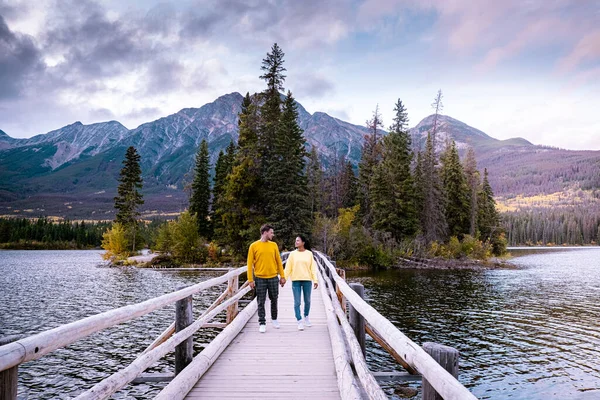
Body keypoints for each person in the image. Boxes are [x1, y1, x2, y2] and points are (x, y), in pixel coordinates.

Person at [247, 224, 286, 333]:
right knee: (261, 301)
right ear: (265, 232)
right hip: (260, 278)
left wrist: (282, 276)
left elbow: (279, 262)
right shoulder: (253, 246)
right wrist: (250, 280)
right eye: (271, 232)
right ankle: (262, 322)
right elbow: (249, 265)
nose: (273, 234)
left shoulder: (273, 245)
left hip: (273, 277)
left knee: (274, 299)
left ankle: (274, 319)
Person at [284, 234, 318, 331]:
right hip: (296, 280)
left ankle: (306, 316)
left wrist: (315, 280)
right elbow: (288, 268)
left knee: (307, 301)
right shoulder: (292, 254)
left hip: (307, 280)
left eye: (298, 240)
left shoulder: (309, 254)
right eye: (296, 240)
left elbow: (313, 268)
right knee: (297, 302)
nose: (296, 242)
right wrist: (284, 279)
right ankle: (299, 320)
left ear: (303, 243)